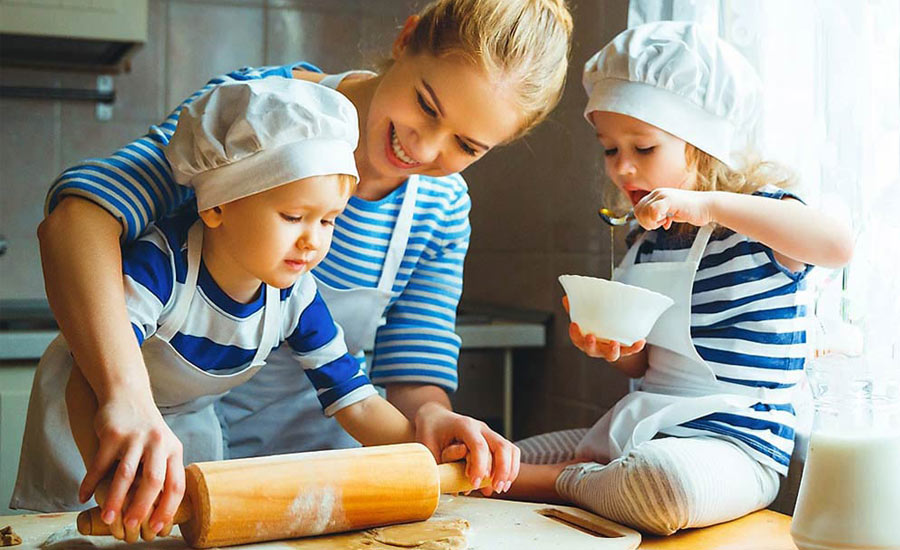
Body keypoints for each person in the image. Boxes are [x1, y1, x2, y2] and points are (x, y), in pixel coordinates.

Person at [23, 0, 574, 540]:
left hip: (306, 484)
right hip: (170, 451)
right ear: (406, 39)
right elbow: (79, 219)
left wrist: (431, 421)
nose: (423, 148)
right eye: (427, 106)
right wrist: (127, 398)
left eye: (467, 146)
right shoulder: (257, 117)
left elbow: (410, 372)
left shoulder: (441, 206)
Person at [14, 78, 441, 542]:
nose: (312, 240)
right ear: (217, 206)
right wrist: (114, 483)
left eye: (328, 220)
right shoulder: (161, 268)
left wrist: (429, 453)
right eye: (293, 217)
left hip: (186, 432)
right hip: (89, 426)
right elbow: (88, 380)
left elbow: (355, 401)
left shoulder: (294, 296)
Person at [501, 21, 854, 535]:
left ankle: (557, 482)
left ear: (702, 145)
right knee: (514, 450)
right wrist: (614, 347)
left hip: (737, 448)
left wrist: (708, 205)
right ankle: (542, 474)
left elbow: (837, 245)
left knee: (661, 489)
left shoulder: (758, 222)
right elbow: (643, 364)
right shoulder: (646, 243)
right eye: (609, 149)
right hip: (651, 425)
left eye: (642, 149)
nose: (622, 168)